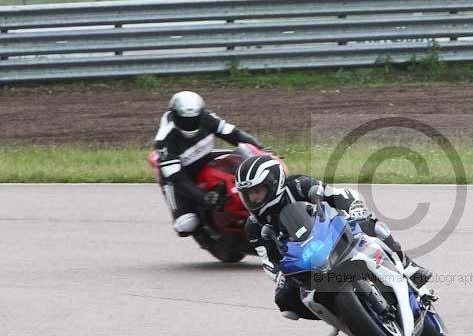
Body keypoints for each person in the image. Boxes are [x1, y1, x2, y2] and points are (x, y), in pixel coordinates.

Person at [234, 154, 431, 320]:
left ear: (274, 183)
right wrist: (277, 274)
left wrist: (355, 210)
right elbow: (267, 260)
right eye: (247, 194)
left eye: (257, 192)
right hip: (302, 262)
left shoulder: (297, 185)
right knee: (285, 301)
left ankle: (407, 264)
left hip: (331, 234)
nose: (252, 199)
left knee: (370, 224)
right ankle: (346, 318)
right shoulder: (254, 226)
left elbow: (339, 194)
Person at [154, 91, 267, 238]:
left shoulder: (207, 118)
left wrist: (260, 148)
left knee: (245, 158)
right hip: (179, 175)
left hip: (205, 157)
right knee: (186, 225)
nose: (190, 124)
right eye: (185, 120)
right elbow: (178, 178)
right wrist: (203, 197)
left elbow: (234, 134)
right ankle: (209, 233)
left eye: (194, 119)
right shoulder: (164, 139)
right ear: (175, 117)